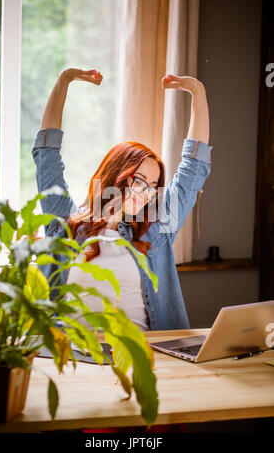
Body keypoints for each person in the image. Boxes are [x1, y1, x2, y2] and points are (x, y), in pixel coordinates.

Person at [31, 67, 213, 433]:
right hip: (77, 362)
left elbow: (193, 169)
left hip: (148, 360)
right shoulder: (65, 223)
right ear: (115, 173)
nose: (144, 191)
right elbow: (46, 154)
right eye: (137, 179)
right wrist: (63, 80)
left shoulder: (157, 230)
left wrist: (198, 93)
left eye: (152, 185)